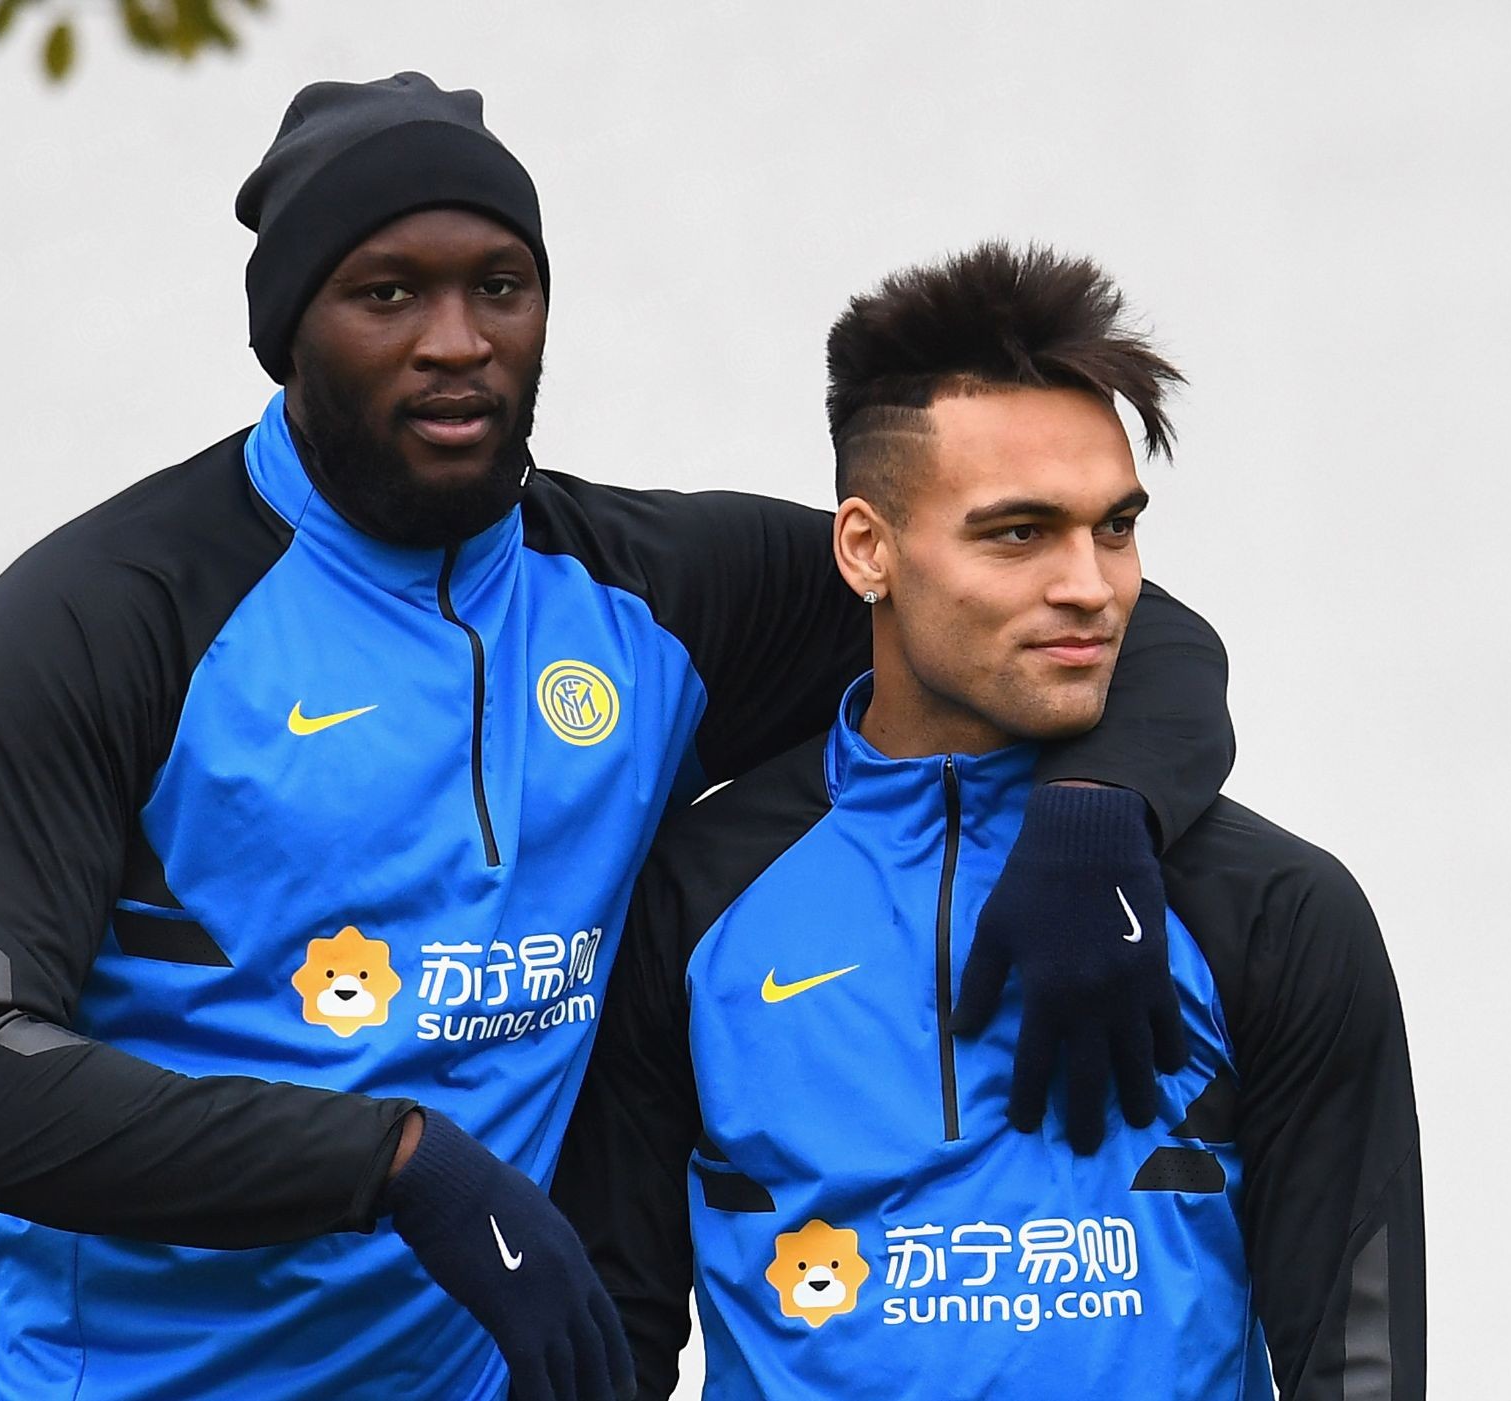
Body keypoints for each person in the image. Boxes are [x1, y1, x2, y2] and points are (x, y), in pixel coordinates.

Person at [0, 77, 1235, 1400]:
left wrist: (1098, 812)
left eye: (500, 287)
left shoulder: (654, 596)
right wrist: (394, 1162)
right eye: (386, 293)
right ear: (287, 333)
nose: (456, 340)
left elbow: (1081, 613)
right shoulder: (113, 615)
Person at [554, 243, 1424, 1399]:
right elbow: (608, 1337)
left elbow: (1357, 1362)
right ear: (867, 549)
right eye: (1018, 533)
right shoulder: (692, 893)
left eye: (1114, 528)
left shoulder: (1269, 908)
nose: (1091, 587)